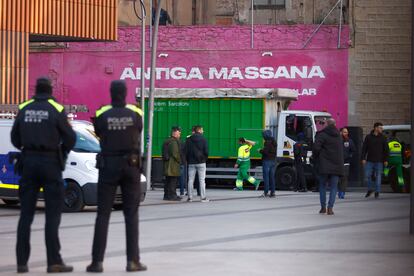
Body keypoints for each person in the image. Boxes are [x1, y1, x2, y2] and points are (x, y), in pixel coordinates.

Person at [11, 77, 76, 273]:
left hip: (29, 162)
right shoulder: (56, 109)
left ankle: (22, 263)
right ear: (50, 90)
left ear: (36, 90)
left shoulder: (25, 108)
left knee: (26, 215)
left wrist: (28, 147)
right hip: (50, 164)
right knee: (52, 215)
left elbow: (14, 138)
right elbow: (71, 138)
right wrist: (61, 151)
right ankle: (54, 261)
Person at [86, 80, 146, 272]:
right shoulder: (136, 113)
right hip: (131, 166)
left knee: (103, 214)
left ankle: (97, 262)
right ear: (125, 93)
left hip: (108, 166)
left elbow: (98, 132)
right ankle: (133, 261)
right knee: (131, 214)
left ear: (111, 93)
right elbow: (139, 130)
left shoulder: (103, 113)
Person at [312, 119, 344, 215]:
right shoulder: (339, 136)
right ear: (334, 124)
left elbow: (316, 148)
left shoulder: (322, 135)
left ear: (326, 124)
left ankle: (323, 208)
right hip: (337, 165)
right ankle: (330, 208)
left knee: (322, 186)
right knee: (334, 187)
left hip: (324, 165)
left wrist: (318, 157)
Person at [362, 122, 389, 199]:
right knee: (367, 175)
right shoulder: (368, 137)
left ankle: (377, 191)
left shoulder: (383, 138)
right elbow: (364, 148)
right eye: (380, 128)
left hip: (379, 161)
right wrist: (363, 158)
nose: (381, 129)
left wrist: (386, 160)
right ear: (375, 128)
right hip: (369, 160)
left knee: (378, 176)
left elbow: (386, 150)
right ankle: (370, 189)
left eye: (382, 128)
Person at [186, 125, 209, 202]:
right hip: (201, 162)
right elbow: (206, 151)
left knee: (190, 180)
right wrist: (204, 159)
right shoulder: (203, 139)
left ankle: (190, 197)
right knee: (202, 180)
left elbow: (186, 151)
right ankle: (203, 198)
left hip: (191, 163)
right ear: (199, 130)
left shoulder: (188, 139)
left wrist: (188, 160)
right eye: (202, 130)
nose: (203, 131)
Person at [162, 126, 182, 201]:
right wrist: (180, 160)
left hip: (167, 164)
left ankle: (166, 195)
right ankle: (172, 195)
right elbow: (175, 153)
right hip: (172, 165)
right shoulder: (173, 142)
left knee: (168, 180)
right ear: (175, 133)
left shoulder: (167, 141)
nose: (180, 135)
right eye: (179, 133)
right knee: (173, 181)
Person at [338, 127, 356, 199]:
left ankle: (342, 192)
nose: (346, 133)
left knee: (344, 178)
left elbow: (353, 150)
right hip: (338, 162)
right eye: (345, 132)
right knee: (338, 178)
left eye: (347, 132)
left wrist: (349, 156)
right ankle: (339, 190)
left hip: (346, 162)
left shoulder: (350, 141)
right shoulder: (337, 140)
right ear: (341, 133)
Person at [259, 130, 276, 197]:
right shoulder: (274, 141)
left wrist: (260, 150)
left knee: (266, 177)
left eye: (263, 135)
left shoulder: (267, 142)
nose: (263, 137)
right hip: (273, 161)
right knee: (272, 177)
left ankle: (266, 192)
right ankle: (273, 192)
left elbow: (265, 152)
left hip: (267, 161)